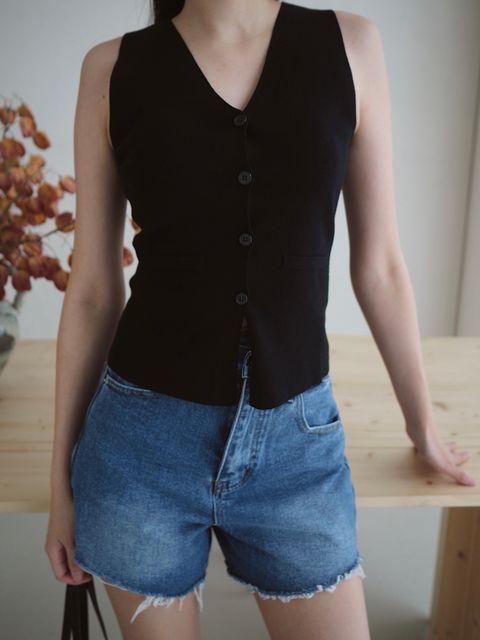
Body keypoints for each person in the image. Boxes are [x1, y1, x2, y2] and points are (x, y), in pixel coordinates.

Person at [45, 1, 475, 639]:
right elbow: (92, 290)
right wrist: (60, 481)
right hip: (139, 453)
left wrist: (423, 425)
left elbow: (381, 266)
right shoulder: (111, 69)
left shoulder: (351, 45)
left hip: (299, 448)